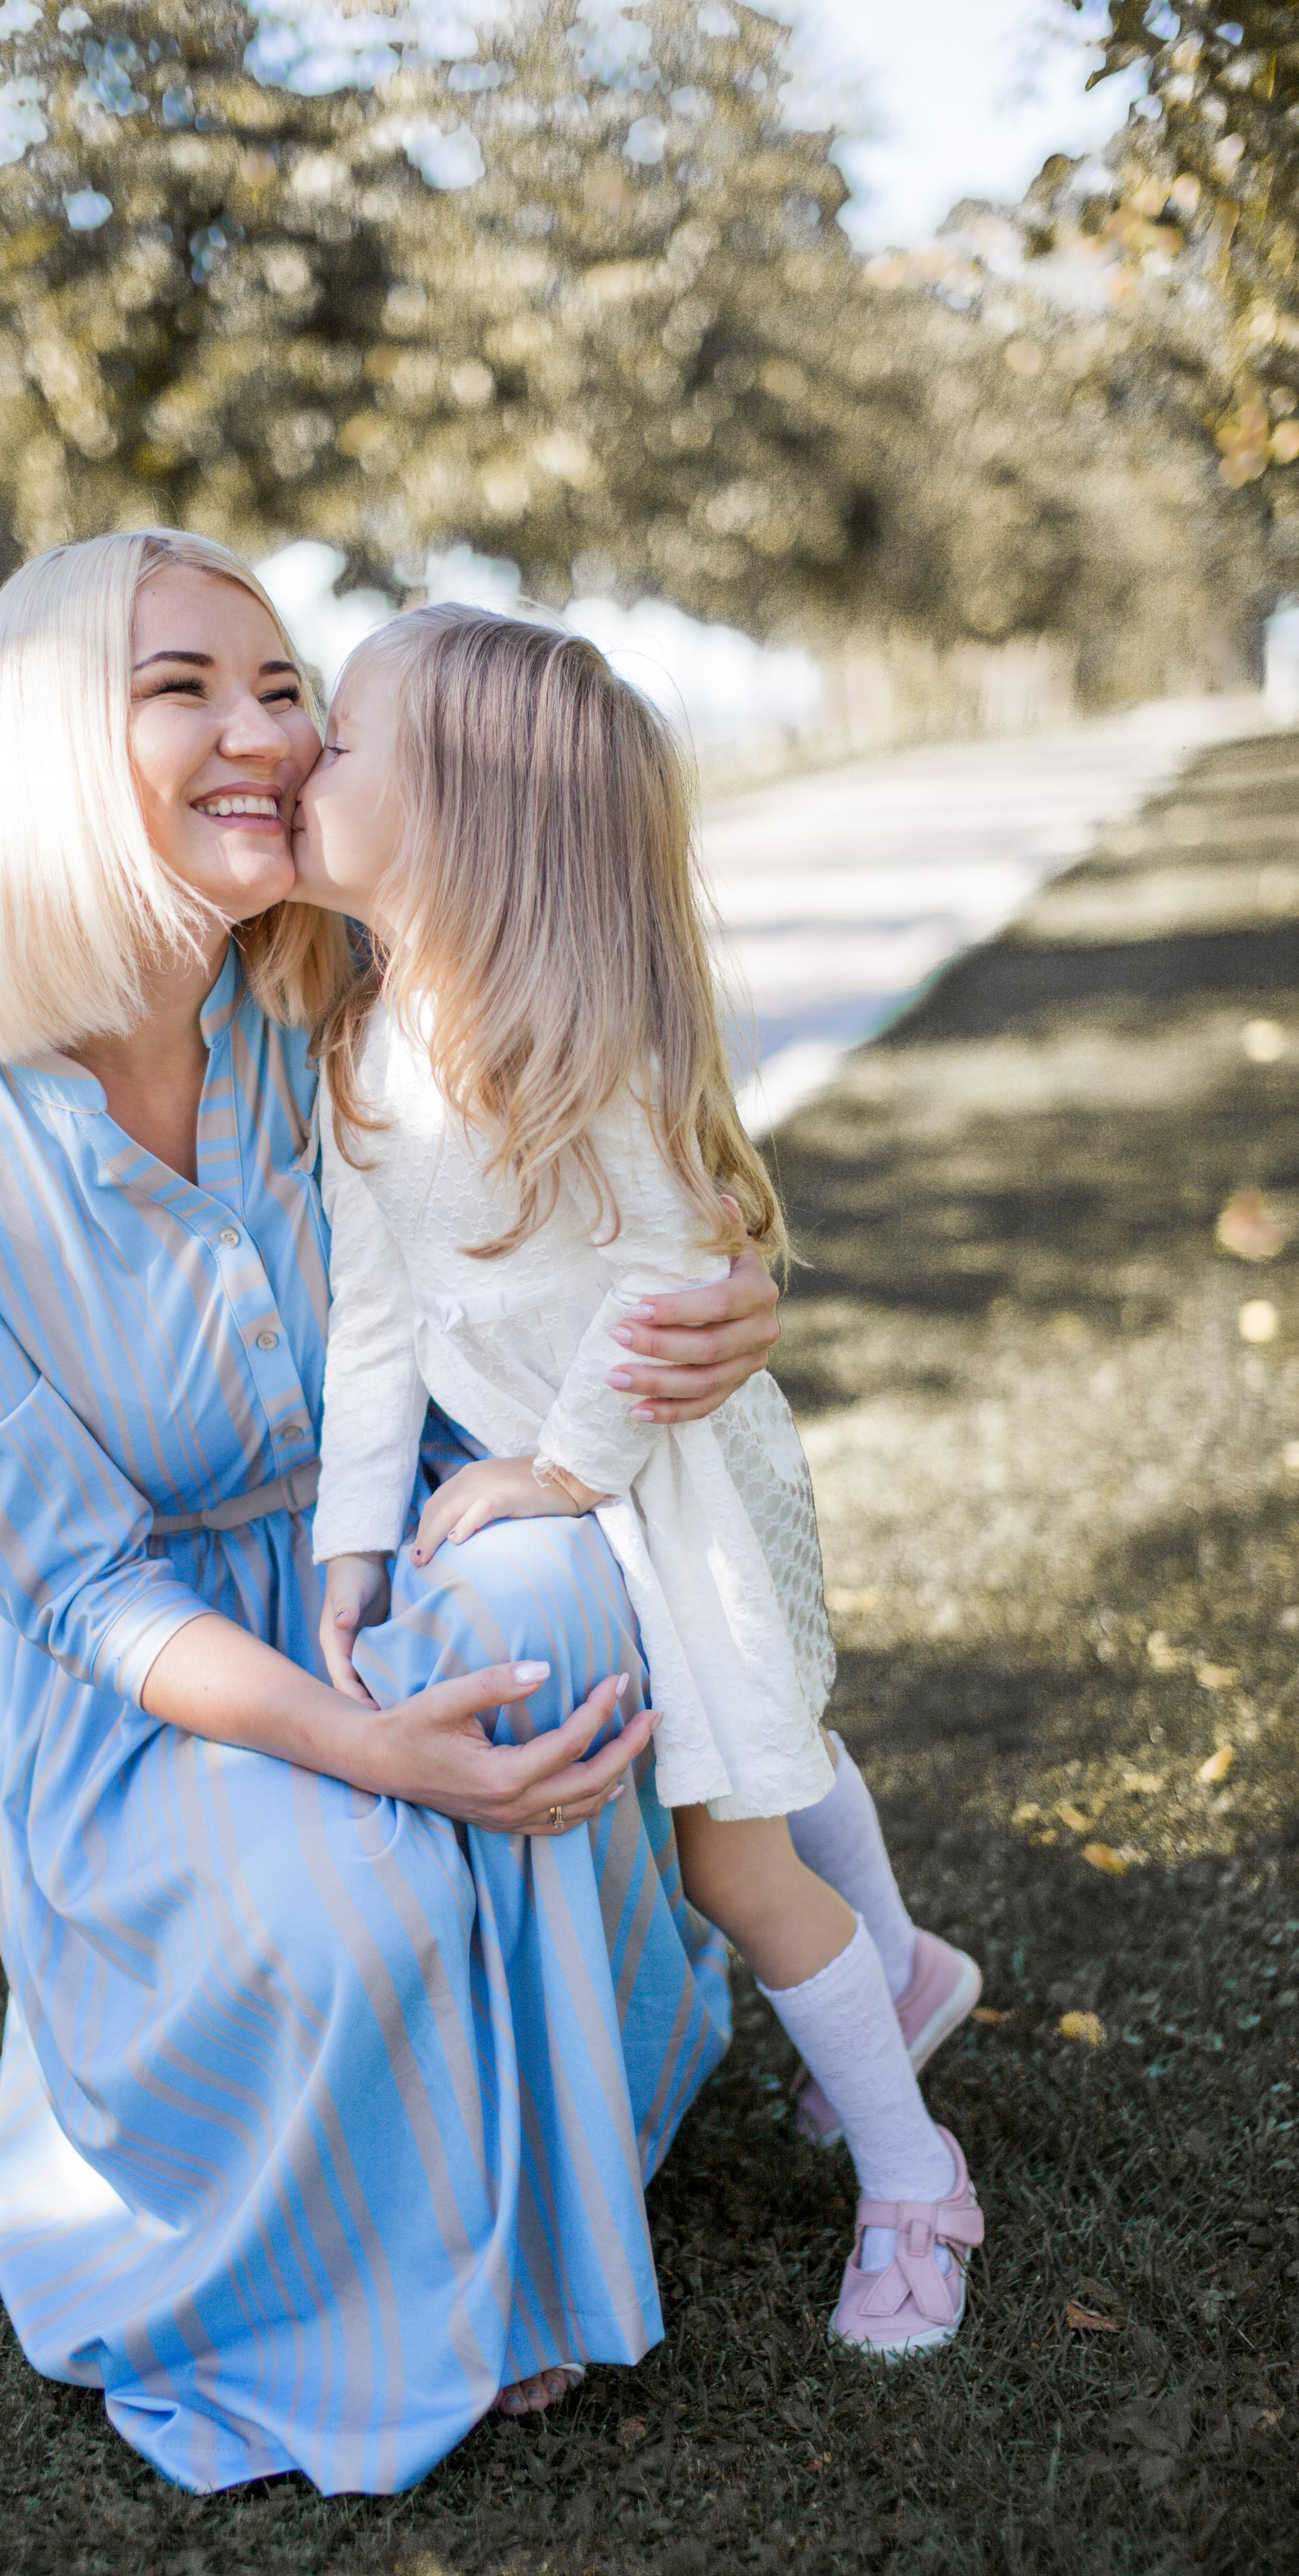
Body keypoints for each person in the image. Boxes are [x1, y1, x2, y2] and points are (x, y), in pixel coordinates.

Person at [0, 529, 790, 2493]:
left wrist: (745, 1290)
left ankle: (544, 2207)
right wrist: (357, 1741)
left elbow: (626, 1123)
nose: (265, 734)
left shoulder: (340, 981)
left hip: (403, 1543)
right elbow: (81, 1592)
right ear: (44, 746)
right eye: (186, 687)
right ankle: (408, 2261)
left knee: (551, 1607)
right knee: (362, 1906)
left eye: (285, 689)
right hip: (169, 1691)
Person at [301, 606, 984, 2358]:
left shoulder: (580, 1057)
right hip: (580, 1490)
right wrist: (351, 1543)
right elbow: (372, 1327)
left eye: (348, 737)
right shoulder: (369, 1059)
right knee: (771, 1750)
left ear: (459, 819)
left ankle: (916, 2181)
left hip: (668, 1492)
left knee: (732, 1852)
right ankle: (901, 1974)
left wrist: (554, 1470)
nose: (311, 751)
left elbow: (682, 1286)